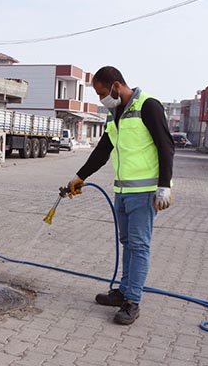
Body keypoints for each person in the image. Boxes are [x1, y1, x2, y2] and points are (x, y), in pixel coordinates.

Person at [67, 66, 174, 325]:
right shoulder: (116, 113)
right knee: (128, 243)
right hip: (123, 191)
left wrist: (165, 185)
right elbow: (104, 149)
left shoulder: (148, 106)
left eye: (103, 92)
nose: (102, 98)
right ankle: (124, 291)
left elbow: (165, 146)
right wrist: (80, 176)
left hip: (145, 193)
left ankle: (132, 301)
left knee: (139, 245)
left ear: (116, 85)